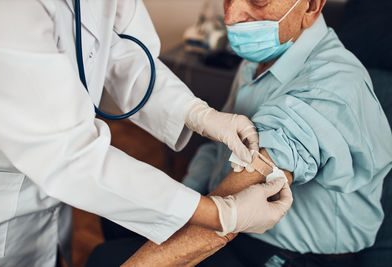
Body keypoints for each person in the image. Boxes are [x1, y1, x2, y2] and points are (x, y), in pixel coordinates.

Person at [86, 0, 392, 266]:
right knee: (115, 221)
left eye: (257, 0)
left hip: (291, 254)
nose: (231, 17)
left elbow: (230, 214)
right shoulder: (260, 59)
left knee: (104, 259)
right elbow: (217, 150)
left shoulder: (328, 88)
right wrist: (189, 197)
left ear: (311, 5)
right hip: (246, 228)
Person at [0, 1, 294, 266]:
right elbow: (70, 154)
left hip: (50, 191)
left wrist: (197, 114)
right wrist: (221, 215)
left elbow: (125, 53)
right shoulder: (10, 10)